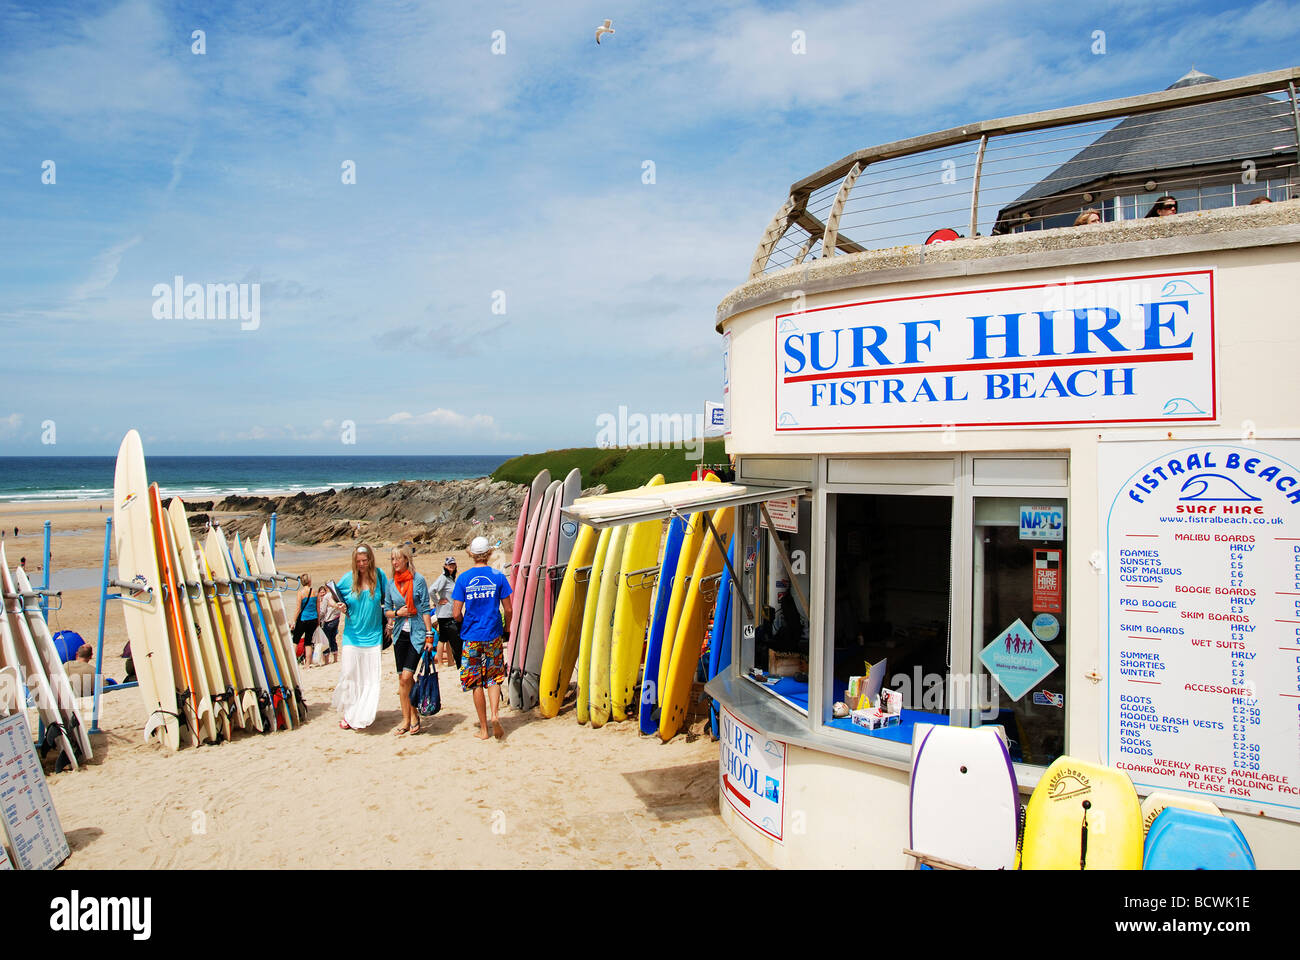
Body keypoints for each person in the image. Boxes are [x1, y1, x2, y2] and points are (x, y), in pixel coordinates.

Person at [452, 536, 513, 740]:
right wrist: (507, 627)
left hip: (471, 635)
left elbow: (455, 612)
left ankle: (485, 729)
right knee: (494, 676)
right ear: (488, 554)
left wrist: (463, 621)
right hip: (493, 633)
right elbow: (509, 608)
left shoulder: (463, 578)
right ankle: (495, 715)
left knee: (475, 681)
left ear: (471, 554)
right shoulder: (498, 576)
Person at [330, 544, 389, 730]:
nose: (362, 564)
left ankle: (363, 713)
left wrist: (390, 622)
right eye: (358, 561)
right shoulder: (349, 578)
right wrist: (337, 606)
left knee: (370, 678)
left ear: (370, 559)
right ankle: (349, 714)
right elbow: (330, 596)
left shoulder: (379, 576)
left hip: (373, 636)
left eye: (365, 560)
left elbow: (388, 599)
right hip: (352, 635)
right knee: (349, 674)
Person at [385, 545, 433, 735]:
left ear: (407, 559)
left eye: (398, 559)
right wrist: (397, 613)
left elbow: (425, 609)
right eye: (392, 559)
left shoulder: (418, 580)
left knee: (407, 676)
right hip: (399, 633)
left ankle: (414, 717)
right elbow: (387, 609)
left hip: (417, 633)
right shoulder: (391, 584)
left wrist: (429, 635)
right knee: (402, 679)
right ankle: (407, 718)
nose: (395, 562)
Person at [429, 556, 461, 667]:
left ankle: (451, 661)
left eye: (453, 564)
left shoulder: (451, 578)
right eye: (449, 565)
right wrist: (437, 601)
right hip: (444, 614)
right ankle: (441, 664)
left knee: (449, 639)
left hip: (451, 612)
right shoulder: (443, 578)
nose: (451, 567)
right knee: (442, 638)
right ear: (445, 566)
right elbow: (431, 590)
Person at [292, 573, 318, 664]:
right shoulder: (314, 592)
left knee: (295, 640)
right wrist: (318, 620)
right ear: (309, 581)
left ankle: (293, 663)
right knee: (308, 642)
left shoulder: (300, 593)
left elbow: (298, 608)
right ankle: (307, 664)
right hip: (313, 619)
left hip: (303, 619)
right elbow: (317, 607)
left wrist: (293, 621)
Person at [315, 585, 341, 666]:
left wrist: (317, 619)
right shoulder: (332, 596)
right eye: (321, 593)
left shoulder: (326, 598)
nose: (322, 594)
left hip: (329, 621)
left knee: (326, 640)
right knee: (332, 639)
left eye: (323, 592)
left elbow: (322, 612)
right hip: (335, 620)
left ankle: (327, 660)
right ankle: (334, 658)